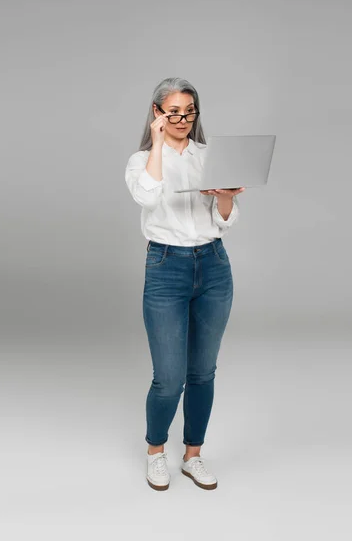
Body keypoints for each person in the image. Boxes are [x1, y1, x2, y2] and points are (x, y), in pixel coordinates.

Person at [125, 77, 245, 491]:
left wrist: (227, 195)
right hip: (166, 267)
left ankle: (193, 455)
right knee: (169, 377)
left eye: (189, 111)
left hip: (212, 265)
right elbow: (146, 196)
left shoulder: (210, 156)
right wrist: (158, 144)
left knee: (203, 372)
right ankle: (156, 452)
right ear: (157, 113)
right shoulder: (141, 159)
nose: (183, 119)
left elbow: (223, 220)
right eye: (174, 111)